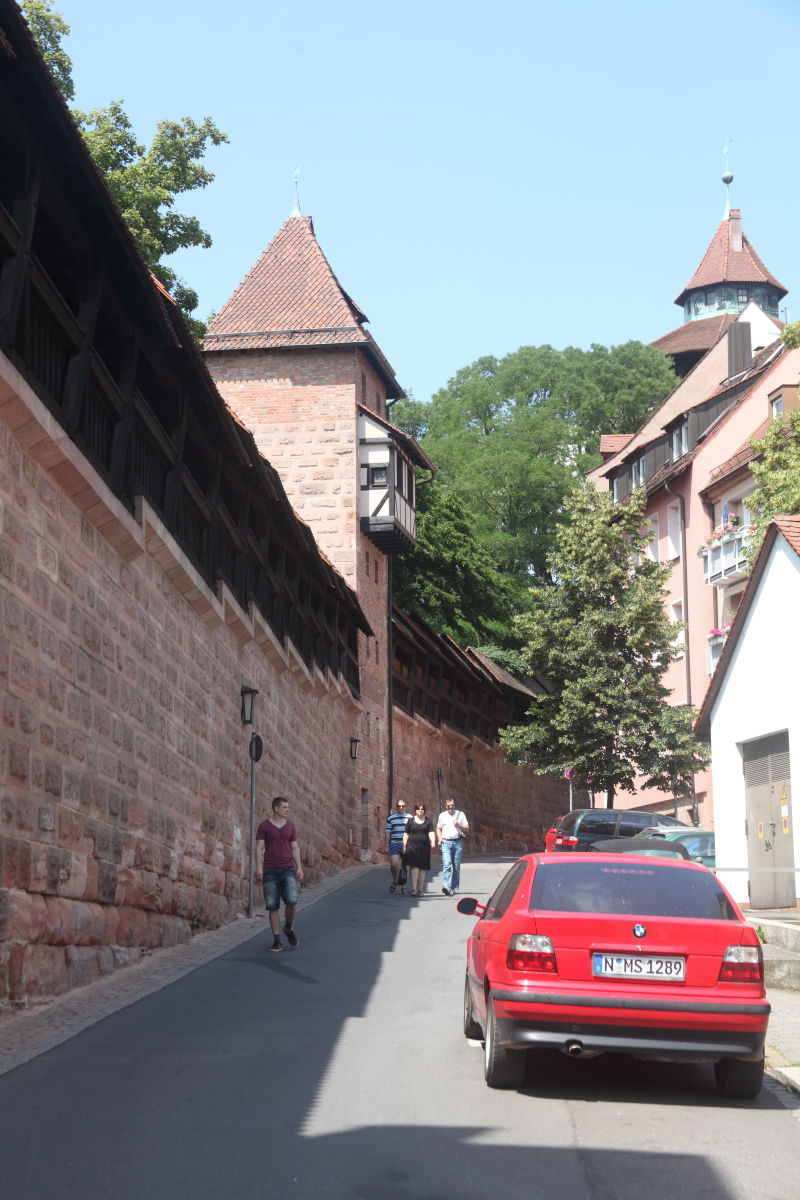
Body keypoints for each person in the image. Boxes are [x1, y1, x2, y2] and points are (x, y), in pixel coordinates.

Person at [255, 795, 304, 952]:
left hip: (287, 869)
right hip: (270, 870)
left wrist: (299, 867)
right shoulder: (264, 826)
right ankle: (277, 941)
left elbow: (295, 848)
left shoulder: (291, 827)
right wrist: (259, 867)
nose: (287, 810)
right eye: (284, 807)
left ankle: (288, 928)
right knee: (273, 906)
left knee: (292, 901)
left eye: (288, 807)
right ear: (276, 808)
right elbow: (259, 848)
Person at [402, 803, 436, 897]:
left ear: (424, 810)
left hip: (424, 847)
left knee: (422, 869)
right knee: (414, 868)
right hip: (412, 847)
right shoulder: (411, 821)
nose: (420, 810)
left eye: (422, 809)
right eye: (418, 809)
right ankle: (414, 889)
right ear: (415, 810)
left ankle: (420, 890)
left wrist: (433, 841)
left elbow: (431, 832)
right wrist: (404, 845)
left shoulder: (428, 821)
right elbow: (406, 834)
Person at [437, 796, 469, 895]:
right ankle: (446, 886)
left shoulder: (460, 814)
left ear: (454, 805)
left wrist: (459, 824)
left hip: (457, 842)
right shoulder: (442, 816)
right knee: (447, 864)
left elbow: (467, 828)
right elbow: (438, 828)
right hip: (446, 842)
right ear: (445, 806)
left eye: (452, 805)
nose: (451, 807)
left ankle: (455, 886)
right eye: (448, 806)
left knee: (456, 866)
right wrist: (439, 838)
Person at [385, 799, 410, 894]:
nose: (401, 808)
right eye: (399, 806)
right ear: (396, 807)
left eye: (403, 806)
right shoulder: (391, 818)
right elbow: (388, 832)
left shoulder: (410, 818)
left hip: (407, 844)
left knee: (405, 866)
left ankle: (404, 886)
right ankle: (395, 880)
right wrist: (386, 845)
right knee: (394, 864)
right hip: (395, 843)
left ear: (405, 807)